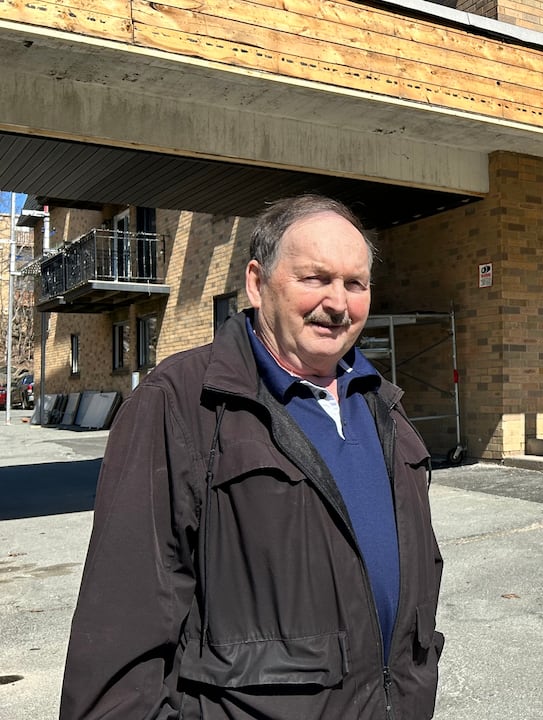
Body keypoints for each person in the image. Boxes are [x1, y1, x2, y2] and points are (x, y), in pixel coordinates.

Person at [60, 194, 445, 718]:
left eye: (355, 284)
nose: (338, 303)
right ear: (256, 282)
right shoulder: (182, 401)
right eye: (315, 278)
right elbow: (121, 634)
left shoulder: (383, 404)